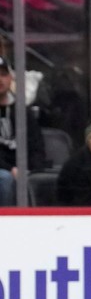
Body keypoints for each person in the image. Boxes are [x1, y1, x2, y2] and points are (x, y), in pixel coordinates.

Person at [0, 56, 45, 207]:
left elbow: (37, 146)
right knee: (4, 178)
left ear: (11, 78)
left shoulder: (22, 111)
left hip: (22, 170)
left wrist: (31, 169)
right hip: (4, 171)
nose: (0, 79)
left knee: (38, 180)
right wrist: (10, 169)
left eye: (3, 74)